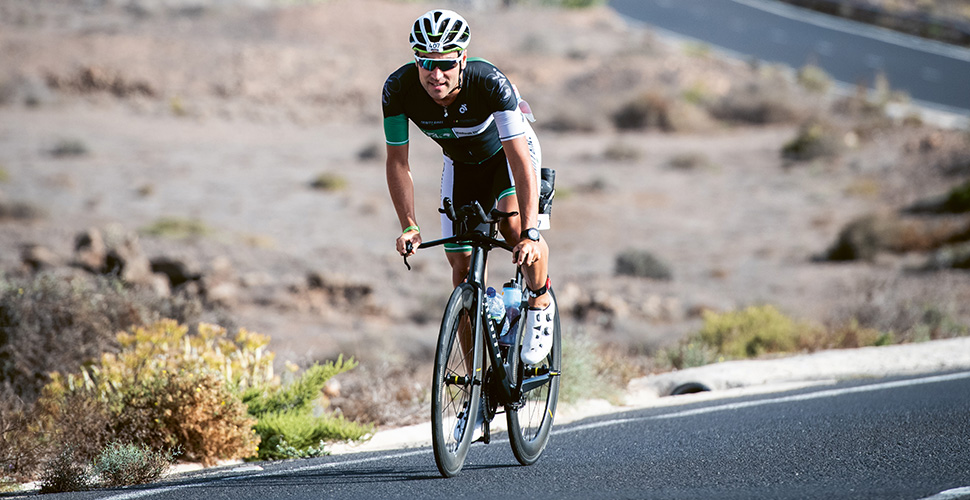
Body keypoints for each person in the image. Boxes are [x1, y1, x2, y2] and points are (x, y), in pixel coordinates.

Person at [382, 9, 553, 365]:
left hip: (507, 156)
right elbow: (398, 162)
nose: (436, 74)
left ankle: (540, 301)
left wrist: (532, 231)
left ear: (462, 58)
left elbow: (520, 161)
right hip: (461, 165)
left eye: (445, 64)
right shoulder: (398, 90)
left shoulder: (489, 82)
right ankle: (477, 385)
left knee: (512, 227)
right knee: (460, 268)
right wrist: (409, 226)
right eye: (426, 63)